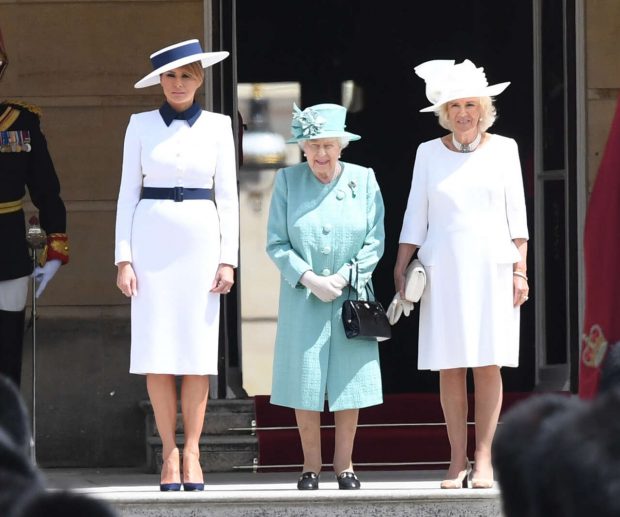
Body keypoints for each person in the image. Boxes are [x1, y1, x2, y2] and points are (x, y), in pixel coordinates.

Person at [393, 59, 529, 489]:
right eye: (455, 105)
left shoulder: (505, 148)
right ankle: (456, 459)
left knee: (488, 363)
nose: (464, 112)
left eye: (471, 104)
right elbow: (416, 214)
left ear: (484, 108)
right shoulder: (427, 153)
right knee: (449, 365)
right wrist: (401, 265)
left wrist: (521, 272)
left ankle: (484, 457)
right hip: (443, 268)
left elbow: (517, 219)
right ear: (444, 112)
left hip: (492, 267)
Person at [114, 39, 238, 491]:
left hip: (202, 245)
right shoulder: (140, 125)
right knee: (158, 354)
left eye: (187, 75)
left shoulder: (220, 126)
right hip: (151, 245)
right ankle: (168, 453)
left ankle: (193, 453)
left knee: (197, 356)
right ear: (159, 82)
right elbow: (128, 192)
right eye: (170, 76)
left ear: (200, 78)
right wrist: (123, 257)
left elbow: (227, 196)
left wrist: (229, 258)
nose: (179, 83)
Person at [266, 103, 385, 490]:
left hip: (351, 296)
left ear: (342, 145)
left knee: (349, 383)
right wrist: (308, 277)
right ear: (302, 147)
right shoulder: (287, 181)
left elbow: (376, 239)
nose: (321, 154)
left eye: (328, 145)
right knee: (305, 381)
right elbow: (277, 243)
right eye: (313, 145)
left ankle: (345, 464)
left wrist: (348, 274)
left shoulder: (364, 180)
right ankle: (310, 465)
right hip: (304, 298)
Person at [0, 25, 69, 388]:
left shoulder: (20, 122)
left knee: (7, 349)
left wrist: (56, 247)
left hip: (6, 248)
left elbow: (46, 190)